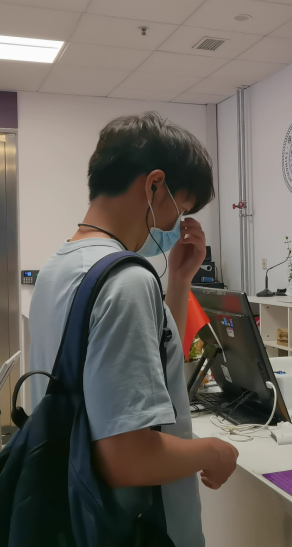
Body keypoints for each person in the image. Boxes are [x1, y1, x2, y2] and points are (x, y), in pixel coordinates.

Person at [26, 112, 238, 547]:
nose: (177, 226)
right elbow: (128, 457)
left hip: (70, 508)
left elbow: (150, 360)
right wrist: (214, 451)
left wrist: (179, 282)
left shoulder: (60, 265)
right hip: (134, 526)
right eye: (182, 210)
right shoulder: (127, 280)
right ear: (154, 185)